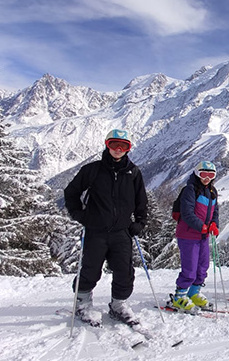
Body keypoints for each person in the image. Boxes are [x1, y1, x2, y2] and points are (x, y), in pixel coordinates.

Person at [64, 129, 148, 326]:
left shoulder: (133, 173)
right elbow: (71, 192)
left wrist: (139, 223)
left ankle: (118, 305)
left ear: (128, 149)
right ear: (107, 145)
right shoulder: (92, 170)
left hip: (122, 232)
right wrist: (79, 215)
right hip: (96, 230)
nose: (118, 150)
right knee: (90, 269)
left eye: (123, 146)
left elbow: (141, 202)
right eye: (114, 145)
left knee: (124, 271)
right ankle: (83, 303)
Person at [169, 161, 219, 312]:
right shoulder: (190, 190)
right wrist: (202, 226)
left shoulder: (212, 191)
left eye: (211, 175)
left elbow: (215, 211)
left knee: (203, 265)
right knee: (190, 267)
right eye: (204, 174)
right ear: (197, 173)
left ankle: (193, 292)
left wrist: (214, 224)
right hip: (188, 234)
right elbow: (187, 213)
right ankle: (179, 296)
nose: (207, 178)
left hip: (203, 236)